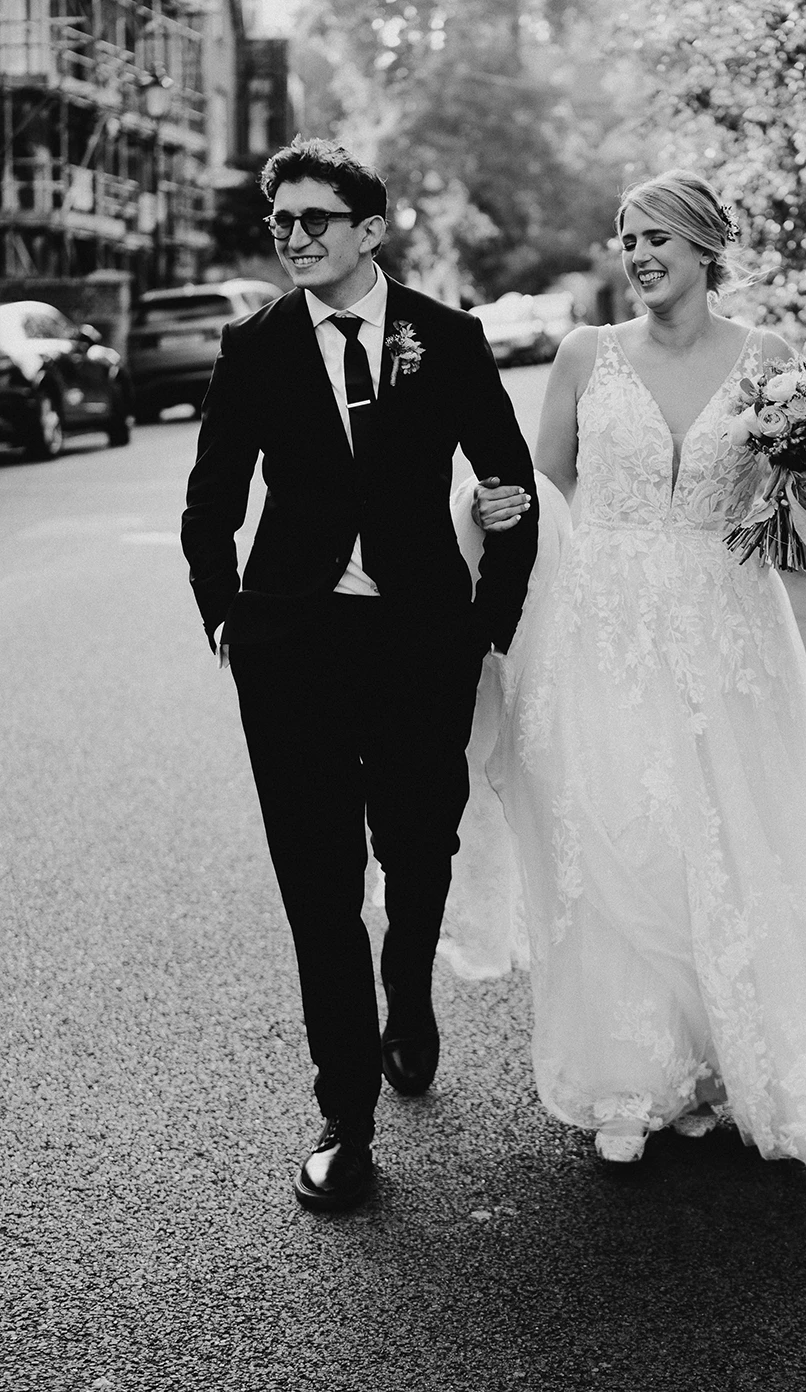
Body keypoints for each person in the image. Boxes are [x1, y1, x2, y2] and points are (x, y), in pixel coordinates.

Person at [472, 169, 806, 1165]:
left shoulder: (770, 358)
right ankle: (631, 1078)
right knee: (622, 832)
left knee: (726, 838)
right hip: (603, 623)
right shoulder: (586, 353)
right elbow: (541, 484)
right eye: (625, 238)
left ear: (704, 246)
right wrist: (485, 538)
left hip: (730, 630)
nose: (635, 254)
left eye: (655, 238)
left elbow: (792, 498)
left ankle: (717, 1069)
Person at [181, 138, 538, 1211]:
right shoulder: (254, 349)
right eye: (279, 219)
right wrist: (225, 622)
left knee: (420, 842)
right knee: (320, 880)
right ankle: (345, 1114)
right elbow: (209, 505)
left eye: (314, 219)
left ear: (370, 230)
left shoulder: (449, 336)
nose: (292, 235)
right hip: (291, 648)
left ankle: (409, 986)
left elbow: (507, 479)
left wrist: (490, 619)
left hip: (422, 638)